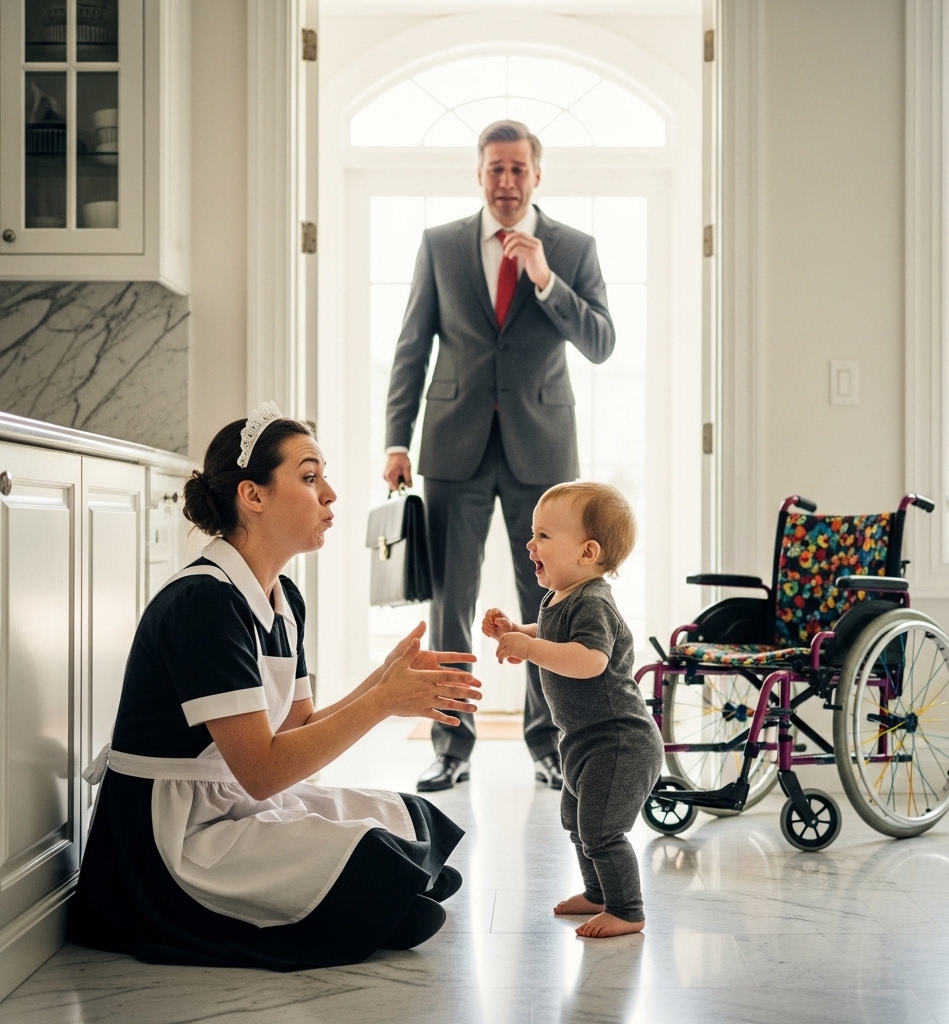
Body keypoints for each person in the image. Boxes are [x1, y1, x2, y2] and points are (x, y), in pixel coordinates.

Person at [69, 404, 482, 969]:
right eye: (310, 477)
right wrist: (384, 702)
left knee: (405, 818)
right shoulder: (204, 603)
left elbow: (297, 736)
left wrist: (382, 683)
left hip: (231, 801)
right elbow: (265, 772)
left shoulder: (284, 599)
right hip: (167, 835)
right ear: (253, 495)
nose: (330, 494)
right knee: (387, 874)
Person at [384, 119, 615, 794]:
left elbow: (600, 341)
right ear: (479, 174)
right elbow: (411, 348)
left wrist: (545, 279)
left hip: (540, 452)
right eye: (495, 169)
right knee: (450, 603)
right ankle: (450, 746)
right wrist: (397, 439)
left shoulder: (573, 248)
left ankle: (548, 744)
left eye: (518, 169)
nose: (507, 182)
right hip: (452, 445)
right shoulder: (441, 245)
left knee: (547, 606)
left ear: (537, 175)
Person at [482, 482, 663, 938]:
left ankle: (627, 909)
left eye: (543, 536)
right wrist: (516, 631)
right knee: (577, 822)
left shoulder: (594, 601)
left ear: (587, 552)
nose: (530, 545)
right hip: (584, 738)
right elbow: (550, 633)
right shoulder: (559, 597)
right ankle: (597, 892)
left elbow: (589, 659)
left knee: (602, 829)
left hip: (620, 740)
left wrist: (531, 647)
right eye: (532, 534)